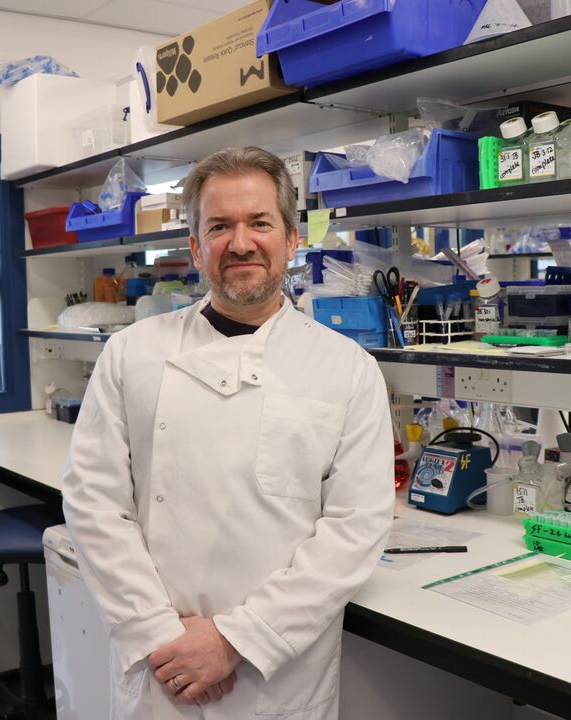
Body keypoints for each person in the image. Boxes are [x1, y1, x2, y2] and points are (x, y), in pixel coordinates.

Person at [62, 147, 394, 719]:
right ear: (195, 247)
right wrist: (158, 633)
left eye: (260, 223)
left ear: (292, 240)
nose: (241, 243)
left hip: (277, 672)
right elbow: (94, 503)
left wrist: (236, 641)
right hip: (163, 669)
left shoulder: (347, 369)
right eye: (219, 226)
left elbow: (355, 529)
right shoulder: (131, 354)